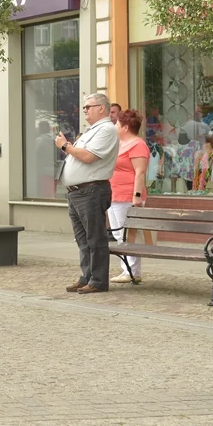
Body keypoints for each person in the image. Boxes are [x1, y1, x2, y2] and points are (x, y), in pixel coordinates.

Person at [56, 93, 120, 295]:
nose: (84, 110)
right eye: (84, 107)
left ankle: (99, 280)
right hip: (77, 192)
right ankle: (87, 277)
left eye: (88, 107)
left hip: (91, 190)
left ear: (102, 108)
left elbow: (88, 157)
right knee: (82, 239)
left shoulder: (107, 130)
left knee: (95, 238)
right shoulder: (90, 131)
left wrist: (65, 146)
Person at [108, 109, 150, 284]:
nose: (115, 126)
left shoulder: (138, 145)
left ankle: (131, 271)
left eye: (117, 123)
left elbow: (140, 172)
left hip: (127, 196)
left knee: (128, 235)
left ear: (125, 127)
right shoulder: (120, 144)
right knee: (120, 235)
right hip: (114, 195)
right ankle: (128, 270)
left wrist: (137, 196)